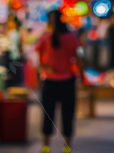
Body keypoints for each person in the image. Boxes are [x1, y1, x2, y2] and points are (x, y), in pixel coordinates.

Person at [36, 10, 82, 153]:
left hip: (49, 82)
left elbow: (38, 58)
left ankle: (46, 146)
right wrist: (82, 76)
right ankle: (67, 147)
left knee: (47, 114)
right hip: (67, 82)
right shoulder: (72, 37)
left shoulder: (45, 37)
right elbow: (80, 56)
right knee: (68, 114)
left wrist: (44, 68)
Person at [5, 17, 24, 88]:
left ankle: (13, 86)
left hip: (12, 54)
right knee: (16, 73)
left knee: (12, 73)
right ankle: (16, 85)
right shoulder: (17, 32)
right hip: (17, 55)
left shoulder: (12, 32)